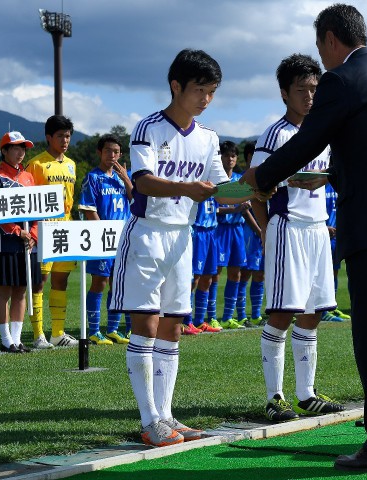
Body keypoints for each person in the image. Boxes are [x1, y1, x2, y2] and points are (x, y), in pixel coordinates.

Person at [241, 5, 367, 472]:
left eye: (320, 49)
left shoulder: (342, 80)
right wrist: (332, 176)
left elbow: (307, 140)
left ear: (331, 39)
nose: (321, 60)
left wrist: (261, 176)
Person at [109, 48, 255, 447]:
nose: (206, 99)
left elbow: (223, 191)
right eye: (200, 90)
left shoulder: (208, 138)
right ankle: (148, 419)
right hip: (147, 234)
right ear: (176, 86)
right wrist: (186, 189)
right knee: (148, 324)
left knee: (173, 327)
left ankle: (167, 415)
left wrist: (262, 185)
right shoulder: (148, 129)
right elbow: (143, 181)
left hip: (182, 238)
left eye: (212, 92)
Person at [250, 53, 345, 423]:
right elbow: (254, 184)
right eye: (301, 90)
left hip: (318, 229)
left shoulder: (325, 131)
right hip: (287, 228)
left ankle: (306, 394)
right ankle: (275, 397)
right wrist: (264, 232)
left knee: (314, 312)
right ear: (284, 94)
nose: (309, 96)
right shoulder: (275, 135)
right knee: (282, 312)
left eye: (314, 89)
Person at [0, 132, 42, 353]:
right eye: (15, 148)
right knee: (4, 291)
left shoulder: (28, 178)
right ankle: (5, 339)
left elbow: (37, 210)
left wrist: (33, 234)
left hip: (27, 244)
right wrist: (18, 232)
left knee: (21, 290)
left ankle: (17, 340)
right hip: (3, 244)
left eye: (23, 148)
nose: (20, 153)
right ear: (4, 151)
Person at [26, 115, 78, 348]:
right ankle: (38, 335)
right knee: (40, 281)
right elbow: (27, 198)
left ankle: (57, 333)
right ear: (49, 137)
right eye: (60, 136)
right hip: (43, 228)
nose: (65, 140)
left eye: (68, 136)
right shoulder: (37, 164)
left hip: (65, 229)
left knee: (61, 280)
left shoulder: (71, 164)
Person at [78, 134, 133, 345]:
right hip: (102, 239)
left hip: (124, 239)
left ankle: (112, 329)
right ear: (99, 152)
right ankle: (93, 330)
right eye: (108, 151)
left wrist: (126, 177)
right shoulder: (92, 177)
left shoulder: (122, 178)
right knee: (99, 282)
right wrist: (103, 234)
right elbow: (89, 210)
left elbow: (136, 201)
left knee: (119, 284)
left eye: (116, 152)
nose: (113, 155)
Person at [215, 141, 253, 329]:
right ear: (220, 157)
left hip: (237, 231)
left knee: (236, 273)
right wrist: (235, 208)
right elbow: (213, 209)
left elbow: (244, 208)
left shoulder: (240, 179)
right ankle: (210, 316)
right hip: (220, 231)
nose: (230, 159)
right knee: (214, 274)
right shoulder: (216, 180)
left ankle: (228, 317)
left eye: (233, 156)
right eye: (226, 155)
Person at [182, 196, 223, 335]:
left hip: (212, 231)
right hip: (198, 231)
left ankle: (199, 321)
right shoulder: (196, 180)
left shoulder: (215, 182)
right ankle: (186, 321)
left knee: (208, 278)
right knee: (194, 278)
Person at [237, 141, 266, 326]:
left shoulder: (266, 177)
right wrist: (260, 229)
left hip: (262, 230)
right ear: (249, 156)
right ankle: (240, 316)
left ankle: (256, 314)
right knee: (245, 273)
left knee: (260, 274)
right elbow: (243, 209)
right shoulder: (243, 179)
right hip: (249, 233)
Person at [322, 182, 349, 322]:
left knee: (334, 271)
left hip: (336, 236)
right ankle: (323, 311)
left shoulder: (336, 185)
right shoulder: (317, 187)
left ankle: (331, 307)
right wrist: (324, 227)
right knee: (322, 273)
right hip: (321, 233)